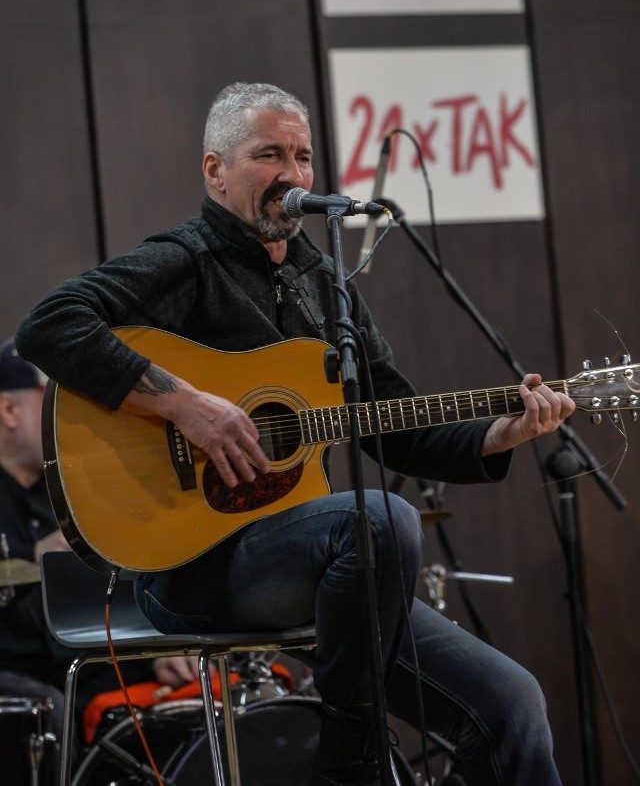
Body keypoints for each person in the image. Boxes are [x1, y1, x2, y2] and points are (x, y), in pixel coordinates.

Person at [16, 81, 575, 786]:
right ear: (215, 171)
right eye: (269, 154)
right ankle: (352, 756)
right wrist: (183, 403)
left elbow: (392, 425)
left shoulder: (327, 285)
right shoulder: (186, 259)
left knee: (513, 704)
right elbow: (50, 324)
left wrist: (500, 434)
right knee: (378, 520)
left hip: (321, 571)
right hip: (194, 567)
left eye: (304, 156)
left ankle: (354, 739)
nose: (293, 174)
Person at [0, 338, 204, 784]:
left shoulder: (69, 493)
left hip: (88, 667)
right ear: (9, 412)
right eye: (51, 402)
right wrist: (35, 560)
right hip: (26, 674)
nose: (67, 418)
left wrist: (154, 655)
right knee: (44, 709)